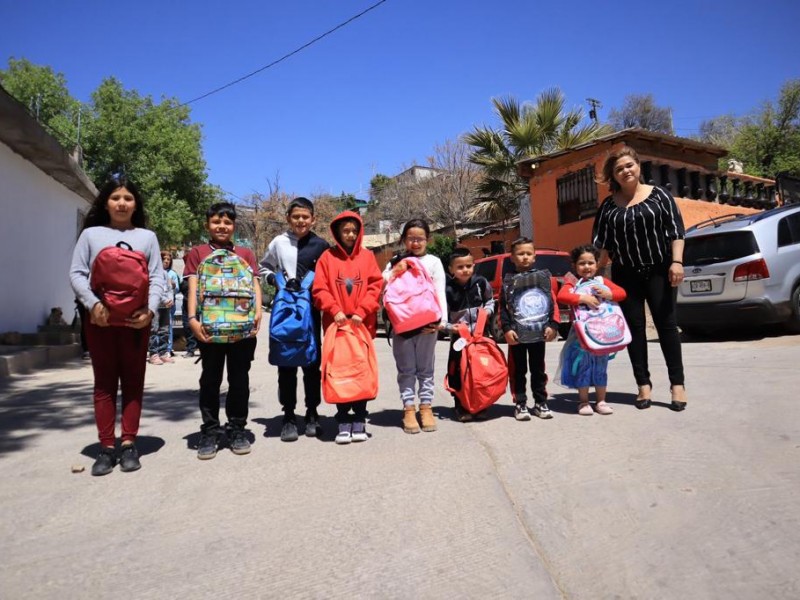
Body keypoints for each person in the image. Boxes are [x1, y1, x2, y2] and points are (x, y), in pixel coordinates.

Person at [69, 176, 165, 476]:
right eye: (115, 198)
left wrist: (149, 310)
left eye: (128, 198)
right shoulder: (90, 235)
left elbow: (158, 277)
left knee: (134, 383)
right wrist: (92, 304)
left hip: (137, 322)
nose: (122, 203)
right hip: (100, 321)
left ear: (136, 203)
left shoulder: (147, 237)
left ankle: (128, 443)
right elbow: (76, 273)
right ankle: (106, 447)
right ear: (105, 203)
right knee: (104, 384)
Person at [592, 146, 687, 411]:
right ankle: (643, 384)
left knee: (667, 326)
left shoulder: (660, 196)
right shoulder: (608, 206)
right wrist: (596, 275)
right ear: (614, 175)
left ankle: (677, 384)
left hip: (660, 270)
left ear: (638, 166)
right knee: (634, 331)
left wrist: (677, 262)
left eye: (628, 165)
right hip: (625, 275)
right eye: (619, 169)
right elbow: (603, 245)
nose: (625, 171)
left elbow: (676, 231)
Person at [184, 202, 261, 459]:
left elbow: (254, 285)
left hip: (242, 327)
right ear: (207, 224)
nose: (222, 226)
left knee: (240, 380)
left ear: (234, 226)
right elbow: (193, 288)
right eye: (217, 222)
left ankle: (237, 428)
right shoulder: (198, 253)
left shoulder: (246, 254)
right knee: (210, 380)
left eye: (227, 222)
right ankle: (210, 430)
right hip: (209, 328)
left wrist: (258, 312)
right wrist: (192, 319)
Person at [260, 197, 329, 442]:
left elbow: (329, 275)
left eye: (305, 217)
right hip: (284, 311)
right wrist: (273, 281)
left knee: (312, 365)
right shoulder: (278, 242)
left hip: (310, 313)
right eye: (296, 216)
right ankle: (288, 415)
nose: (301, 221)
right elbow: (264, 267)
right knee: (286, 364)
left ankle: (312, 413)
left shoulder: (321, 245)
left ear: (313, 219)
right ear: (288, 218)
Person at [312, 211, 383, 443]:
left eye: (354, 230)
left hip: (361, 325)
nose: (350, 234)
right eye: (346, 230)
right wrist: (334, 310)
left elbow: (375, 286)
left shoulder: (368, 256)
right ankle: (343, 419)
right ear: (337, 232)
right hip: (337, 326)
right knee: (340, 372)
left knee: (360, 372)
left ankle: (359, 418)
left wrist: (362, 311)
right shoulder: (327, 257)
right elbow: (319, 289)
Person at [382, 218, 448, 434]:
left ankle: (426, 407)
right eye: (411, 239)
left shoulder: (434, 262)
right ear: (403, 240)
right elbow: (381, 285)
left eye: (420, 239)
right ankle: (409, 408)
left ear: (427, 240)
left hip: (428, 323)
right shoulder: (394, 261)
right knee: (406, 369)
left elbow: (439, 290)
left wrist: (442, 320)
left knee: (426, 369)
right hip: (402, 324)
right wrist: (395, 271)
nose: (416, 243)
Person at [556, 244, 627, 415]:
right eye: (582, 263)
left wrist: (608, 294)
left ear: (597, 264)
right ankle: (584, 402)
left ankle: (601, 401)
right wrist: (583, 298)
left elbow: (622, 293)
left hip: (602, 333)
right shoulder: (571, 282)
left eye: (590, 263)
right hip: (581, 336)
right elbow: (562, 296)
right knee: (583, 366)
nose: (586, 267)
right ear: (574, 265)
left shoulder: (602, 282)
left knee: (601, 367)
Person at [500, 237, 560, 421]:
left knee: (538, 370)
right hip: (517, 334)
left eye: (528, 253)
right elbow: (503, 308)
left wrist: (553, 325)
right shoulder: (508, 282)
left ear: (534, 256)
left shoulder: (543, 279)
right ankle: (520, 403)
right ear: (512, 257)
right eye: (520, 253)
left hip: (538, 333)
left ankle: (540, 402)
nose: (525, 257)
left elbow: (552, 303)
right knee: (518, 370)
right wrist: (507, 329)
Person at [444, 246, 495, 422]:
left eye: (469, 265)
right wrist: (451, 328)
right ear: (451, 269)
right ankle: (461, 405)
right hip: (459, 339)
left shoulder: (481, 283)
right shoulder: (447, 289)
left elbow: (490, 300)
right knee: (458, 372)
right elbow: (442, 316)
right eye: (460, 267)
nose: (465, 270)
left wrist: (487, 311)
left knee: (481, 371)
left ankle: (481, 404)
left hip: (481, 337)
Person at [147, 265, 173, 364]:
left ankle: (163, 353)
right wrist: (164, 299)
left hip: (165, 306)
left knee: (165, 330)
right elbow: (153, 290)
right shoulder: (151, 273)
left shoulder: (165, 274)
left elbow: (169, 288)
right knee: (153, 329)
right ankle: (153, 354)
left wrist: (171, 299)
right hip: (155, 305)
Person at [161, 251, 180, 358]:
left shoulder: (172, 273)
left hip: (169, 304)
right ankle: (157, 348)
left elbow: (177, 289)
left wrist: (173, 286)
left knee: (168, 326)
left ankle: (168, 349)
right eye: (164, 259)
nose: (166, 261)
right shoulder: (155, 272)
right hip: (157, 303)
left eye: (168, 260)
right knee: (156, 327)